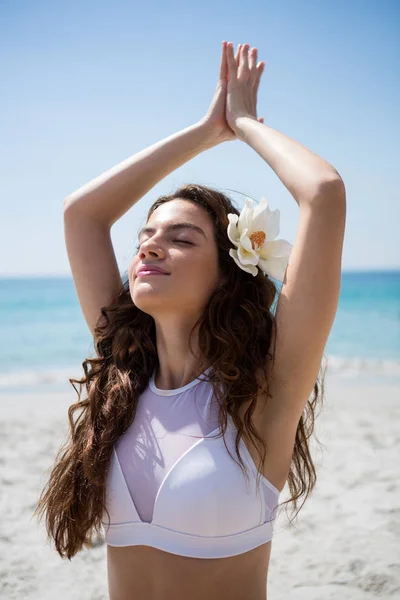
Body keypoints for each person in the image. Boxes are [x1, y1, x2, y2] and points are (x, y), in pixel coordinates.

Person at [34, 41, 346, 600]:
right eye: (145, 238)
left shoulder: (264, 393)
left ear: (228, 275)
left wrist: (243, 123)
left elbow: (323, 193)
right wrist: (206, 130)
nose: (151, 248)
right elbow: (82, 213)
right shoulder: (121, 377)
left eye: (181, 239)